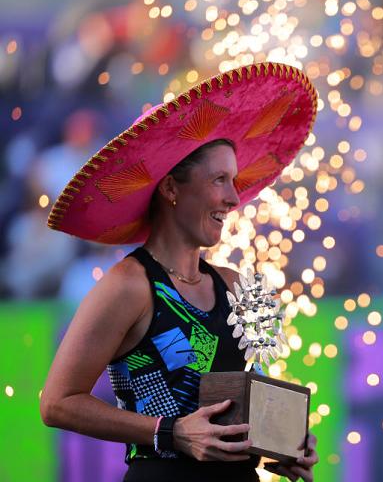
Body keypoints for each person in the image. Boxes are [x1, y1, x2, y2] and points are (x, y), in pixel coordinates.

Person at [41, 62, 320, 482]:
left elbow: (255, 393)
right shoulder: (127, 286)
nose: (234, 198)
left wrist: (283, 442)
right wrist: (170, 432)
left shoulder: (239, 285)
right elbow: (57, 403)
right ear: (171, 188)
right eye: (220, 180)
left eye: (235, 181)